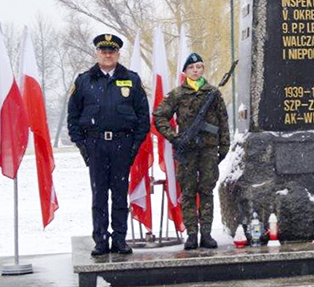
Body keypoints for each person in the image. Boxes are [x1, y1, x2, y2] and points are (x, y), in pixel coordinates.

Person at [67, 34, 150, 256]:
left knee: (120, 194)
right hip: (95, 145)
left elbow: (143, 118)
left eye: (111, 51)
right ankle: (101, 240)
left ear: (118, 54)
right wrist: (84, 147)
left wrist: (133, 148)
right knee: (99, 195)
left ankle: (120, 239)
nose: (107, 54)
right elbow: (73, 119)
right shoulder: (84, 80)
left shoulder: (131, 79)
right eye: (103, 51)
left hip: (123, 144)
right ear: (97, 53)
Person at [154, 53, 230, 250]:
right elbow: (159, 116)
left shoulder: (213, 93)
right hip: (187, 150)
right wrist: (174, 137)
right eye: (191, 68)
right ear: (185, 71)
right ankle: (191, 234)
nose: (196, 71)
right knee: (188, 192)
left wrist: (224, 146)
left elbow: (223, 121)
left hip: (208, 150)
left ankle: (206, 233)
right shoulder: (178, 94)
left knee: (206, 190)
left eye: (199, 67)